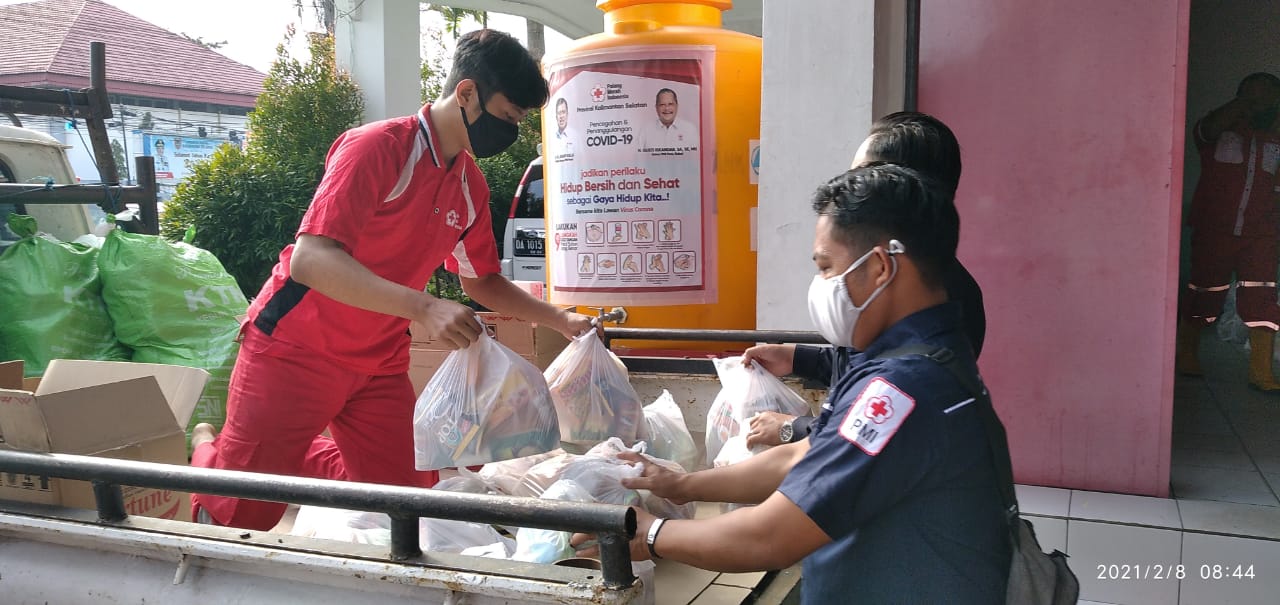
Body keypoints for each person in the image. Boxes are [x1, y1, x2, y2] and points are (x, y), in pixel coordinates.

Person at [189, 29, 595, 530]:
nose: (508, 132)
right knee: (246, 507)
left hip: (377, 360)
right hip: (295, 349)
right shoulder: (376, 148)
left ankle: (288, 448)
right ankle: (208, 449)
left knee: (408, 501)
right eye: (507, 117)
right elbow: (311, 260)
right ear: (466, 93)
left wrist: (561, 319)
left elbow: (482, 280)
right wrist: (425, 308)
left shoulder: (468, 182)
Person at [574, 164, 1011, 603]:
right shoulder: (913, 357)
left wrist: (649, 532)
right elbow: (805, 456)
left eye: (826, 267)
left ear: (879, 267)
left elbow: (771, 536)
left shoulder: (903, 389)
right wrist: (682, 484)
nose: (820, 285)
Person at [745, 111, 987, 447]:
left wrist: (794, 429)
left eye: (861, 176)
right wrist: (795, 356)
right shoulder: (889, 281)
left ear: (902, 188)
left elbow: (889, 423)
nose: (847, 190)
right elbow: (860, 360)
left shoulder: (940, 304)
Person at [1177, 72, 1280, 391]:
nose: (1258, 102)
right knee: (1204, 292)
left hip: (1262, 234)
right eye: (1251, 95)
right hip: (1215, 230)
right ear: (1238, 97)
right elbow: (1204, 130)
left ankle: (1261, 372)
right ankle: (1187, 355)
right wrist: (1240, 109)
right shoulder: (1216, 130)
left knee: (1263, 297)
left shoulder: (1276, 138)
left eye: (1267, 97)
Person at [639, 88, 695, 153]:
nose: (667, 108)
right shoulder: (645, 130)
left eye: (670, 104)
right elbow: (638, 159)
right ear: (656, 107)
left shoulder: (690, 129)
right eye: (662, 105)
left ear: (677, 106)